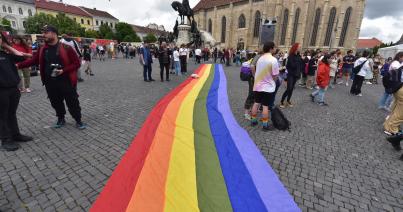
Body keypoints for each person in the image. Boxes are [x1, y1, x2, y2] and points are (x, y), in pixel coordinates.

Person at [17, 25, 86, 129]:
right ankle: (61, 118)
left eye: (46, 32)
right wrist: (18, 65)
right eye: (43, 33)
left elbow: (76, 64)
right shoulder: (42, 48)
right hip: (50, 81)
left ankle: (78, 120)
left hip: (66, 80)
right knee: (55, 102)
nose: (43, 35)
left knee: (72, 102)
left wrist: (63, 70)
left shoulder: (67, 48)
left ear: (54, 33)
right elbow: (34, 61)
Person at [0, 31, 33, 151]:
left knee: (11, 113)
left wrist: (7, 46)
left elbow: (20, 57)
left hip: (13, 89)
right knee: (2, 116)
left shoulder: (5, 53)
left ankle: (15, 134)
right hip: (1, 91)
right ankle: (6, 140)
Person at [250, 41, 279, 131]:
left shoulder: (260, 58)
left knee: (256, 103)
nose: (275, 49)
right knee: (265, 106)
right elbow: (275, 75)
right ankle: (265, 125)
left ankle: (253, 121)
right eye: (274, 47)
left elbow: (255, 69)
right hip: (267, 87)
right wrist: (273, 82)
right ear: (271, 48)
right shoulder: (273, 60)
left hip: (258, 85)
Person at [383, 52, 403, 137]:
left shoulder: (400, 64)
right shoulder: (396, 63)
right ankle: (391, 128)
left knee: (396, 109)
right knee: (400, 112)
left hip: (398, 88)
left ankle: (388, 125)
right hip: (400, 88)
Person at [280, 43, 304, 108]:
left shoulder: (299, 56)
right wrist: (298, 61)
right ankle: (282, 101)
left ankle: (288, 100)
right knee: (289, 88)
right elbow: (291, 66)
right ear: (295, 48)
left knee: (292, 89)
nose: (300, 48)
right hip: (291, 75)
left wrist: (300, 72)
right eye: (299, 47)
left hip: (296, 75)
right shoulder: (291, 56)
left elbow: (301, 65)